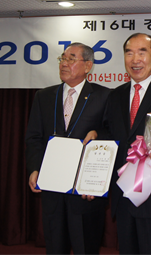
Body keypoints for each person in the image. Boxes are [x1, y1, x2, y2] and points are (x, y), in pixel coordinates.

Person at [85, 33, 151, 254]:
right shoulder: (116, 95)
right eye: (129, 53)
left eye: (142, 52)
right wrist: (97, 133)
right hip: (124, 199)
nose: (135, 60)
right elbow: (113, 133)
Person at [25, 42, 110, 254]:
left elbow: (113, 133)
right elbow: (34, 137)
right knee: (55, 247)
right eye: (62, 58)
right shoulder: (44, 96)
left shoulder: (105, 96)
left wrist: (97, 134)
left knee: (85, 248)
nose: (64, 63)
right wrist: (34, 168)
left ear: (88, 65)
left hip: (85, 192)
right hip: (52, 188)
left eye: (71, 59)